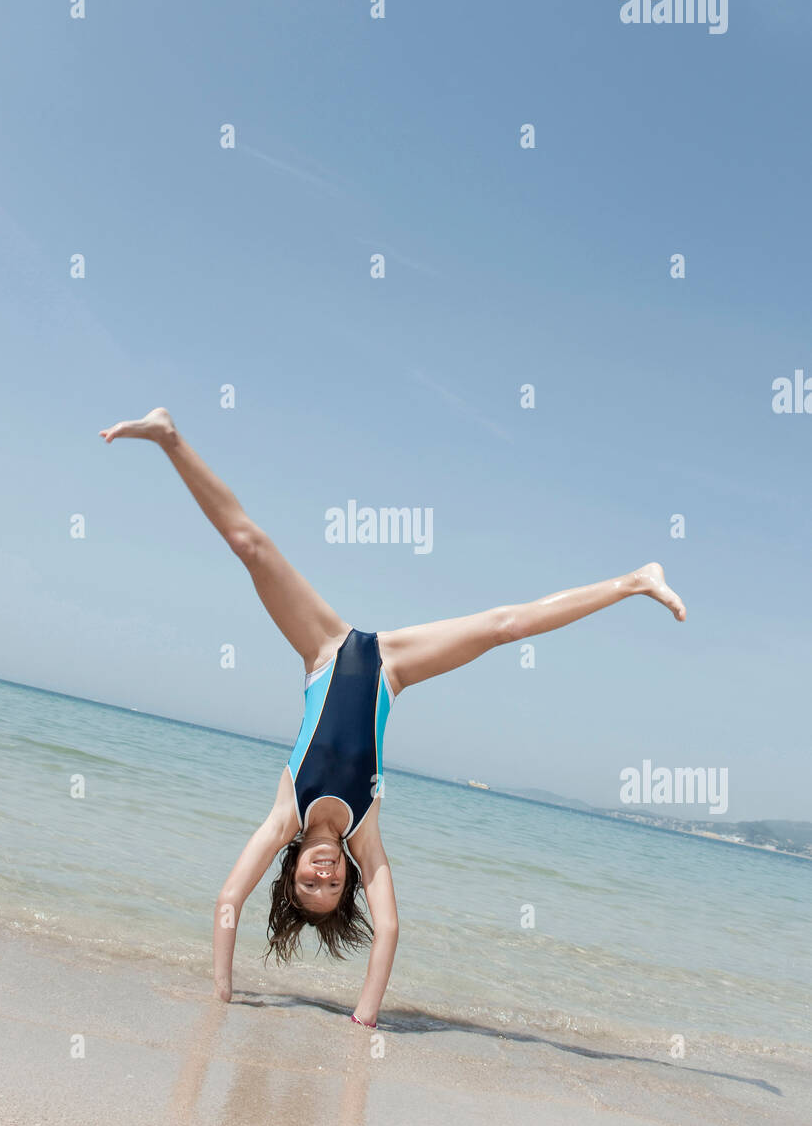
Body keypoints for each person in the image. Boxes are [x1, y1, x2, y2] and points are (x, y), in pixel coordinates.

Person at [100, 407, 686, 1028]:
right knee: (504, 628)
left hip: (326, 651)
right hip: (390, 667)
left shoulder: (283, 818)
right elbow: (391, 929)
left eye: (309, 885)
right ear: (345, 881)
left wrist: (221, 996)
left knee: (252, 547)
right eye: (331, 889)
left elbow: (227, 900)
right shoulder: (364, 837)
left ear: (292, 870)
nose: (323, 879)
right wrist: (365, 1018)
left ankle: (168, 434)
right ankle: (634, 582)